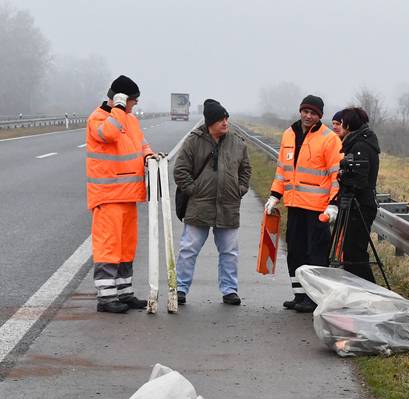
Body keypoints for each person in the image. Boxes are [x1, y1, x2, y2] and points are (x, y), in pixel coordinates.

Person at [265, 95, 342, 312]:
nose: (308, 116)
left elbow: (337, 175)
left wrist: (333, 203)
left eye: (313, 113)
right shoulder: (288, 134)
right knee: (295, 251)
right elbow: (282, 170)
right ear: (300, 111)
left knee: (315, 254)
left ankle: (314, 298)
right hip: (294, 204)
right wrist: (274, 195)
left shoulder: (329, 139)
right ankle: (299, 295)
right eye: (305, 111)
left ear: (319, 116)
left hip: (318, 209)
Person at [85, 75, 154, 313]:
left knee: (126, 246)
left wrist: (149, 156)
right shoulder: (98, 118)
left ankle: (124, 293)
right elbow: (109, 134)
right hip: (108, 196)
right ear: (121, 98)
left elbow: (142, 144)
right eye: (133, 100)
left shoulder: (131, 120)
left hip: (129, 194)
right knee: (109, 247)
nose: (135, 104)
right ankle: (106, 298)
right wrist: (119, 108)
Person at [173, 99, 251, 305]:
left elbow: (245, 170)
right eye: (219, 120)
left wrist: (239, 190)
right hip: (199, 205)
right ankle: (180, 289)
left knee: (230, 252)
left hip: (228, 206)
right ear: (209, 123)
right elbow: (180, 171)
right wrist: (194, 191)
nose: (225, 123)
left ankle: (229, 290)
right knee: (188, 249)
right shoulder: (194, 141)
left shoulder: (237, 143)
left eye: (226, 118)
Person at [331, 107, 380, 284]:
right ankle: (356, 289)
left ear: (349, 124)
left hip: (360, 205)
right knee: (351, 250)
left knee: (354, 252)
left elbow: (359, 181)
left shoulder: (360, 145)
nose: (339, 126)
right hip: (358, 203)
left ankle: (368, 290)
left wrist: (344, 177)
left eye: (341, 122)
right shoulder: (362, 141)